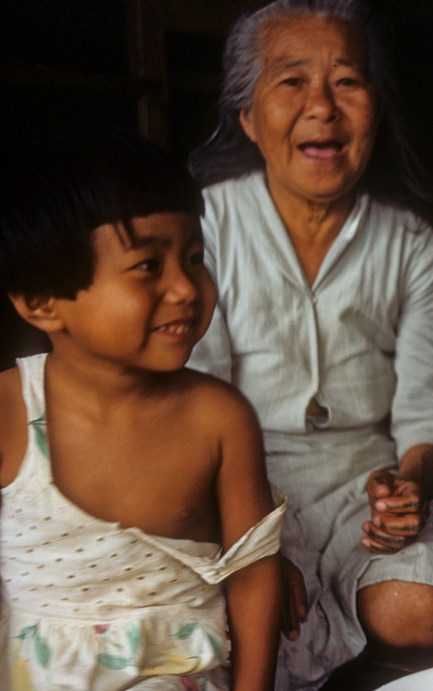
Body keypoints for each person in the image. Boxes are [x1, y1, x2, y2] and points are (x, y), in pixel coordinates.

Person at [186, 1, 433, 687]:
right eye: (292, 81)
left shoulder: (409, 242)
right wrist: (253, 540)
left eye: (347, 82)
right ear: (247, 116)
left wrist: (410, 484)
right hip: (236, 487)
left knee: (417, 607)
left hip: (371, 476)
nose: (323, 109)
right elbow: (186, 403)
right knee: (232, 605)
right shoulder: (204, 228)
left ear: (376, 114)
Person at [0, 129, 284, 690]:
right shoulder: (9, 409)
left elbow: (254, 575)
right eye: (148, 267)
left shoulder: (217, 418)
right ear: (42, 303)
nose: (186, 287)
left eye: (195, 258)